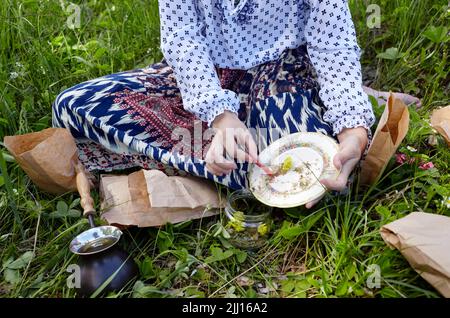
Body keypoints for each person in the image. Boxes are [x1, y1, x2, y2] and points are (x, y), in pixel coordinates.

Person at [52, 0, 418, 208]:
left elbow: (331, 39)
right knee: (72, 107)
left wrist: (353, 129)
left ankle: (340, 96)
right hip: (209, 75)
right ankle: (227, 153)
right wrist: (220, 115)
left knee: (300, 178)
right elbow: (182, 40)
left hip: (283, 67)